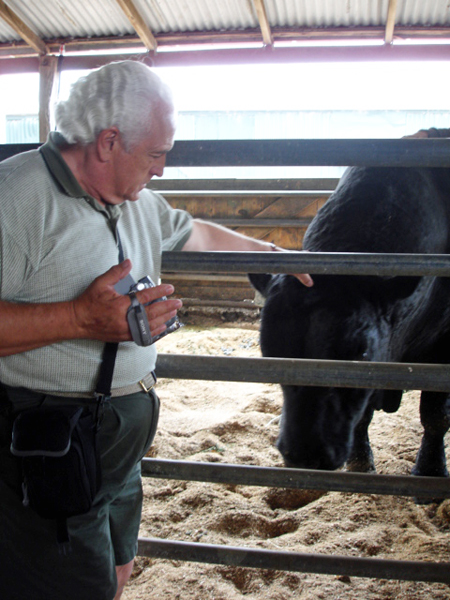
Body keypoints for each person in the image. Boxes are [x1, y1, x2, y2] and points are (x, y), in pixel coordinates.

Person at [0, 60, 312, 600]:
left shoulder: (135, 201)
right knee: (73, 583)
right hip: (50, 442)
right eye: (157, 154)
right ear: (108, 142)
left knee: (118, 568)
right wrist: (81, 318)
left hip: (118, 441)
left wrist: (270, 252)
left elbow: (193, 234)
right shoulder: (17, 196)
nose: (163, 170)